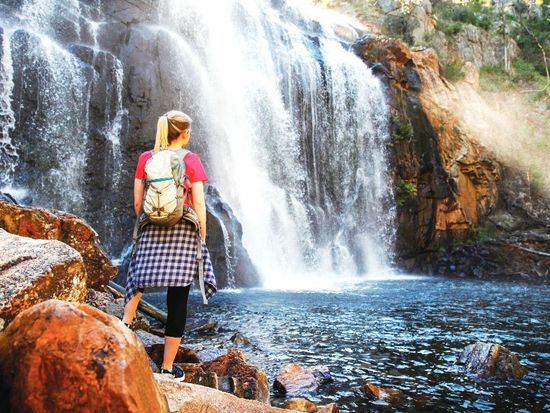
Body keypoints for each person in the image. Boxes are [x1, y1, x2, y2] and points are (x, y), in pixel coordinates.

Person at [122, 110, 216, 381]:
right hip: (184, 230)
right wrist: (202, 232)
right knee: (178, 299)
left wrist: (149, 220)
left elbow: (138, 203)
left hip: (152, 226)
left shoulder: (146, 158)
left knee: (138, 279)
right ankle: (166, 369)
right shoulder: (191, 160)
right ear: (184, 133)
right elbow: (198, 202)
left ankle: (123, 327)